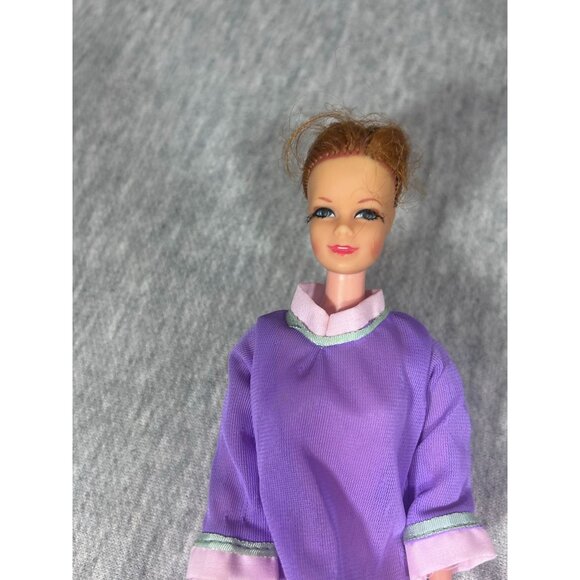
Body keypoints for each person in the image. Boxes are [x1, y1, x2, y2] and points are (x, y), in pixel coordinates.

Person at [186, 110, 497, 579]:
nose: (344, 229)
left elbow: (440, 474)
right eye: (324, 211)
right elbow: (238, 474)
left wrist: (438, 570)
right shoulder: (263, 349)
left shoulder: (416, 354)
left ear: (390, 220)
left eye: (366, 213)